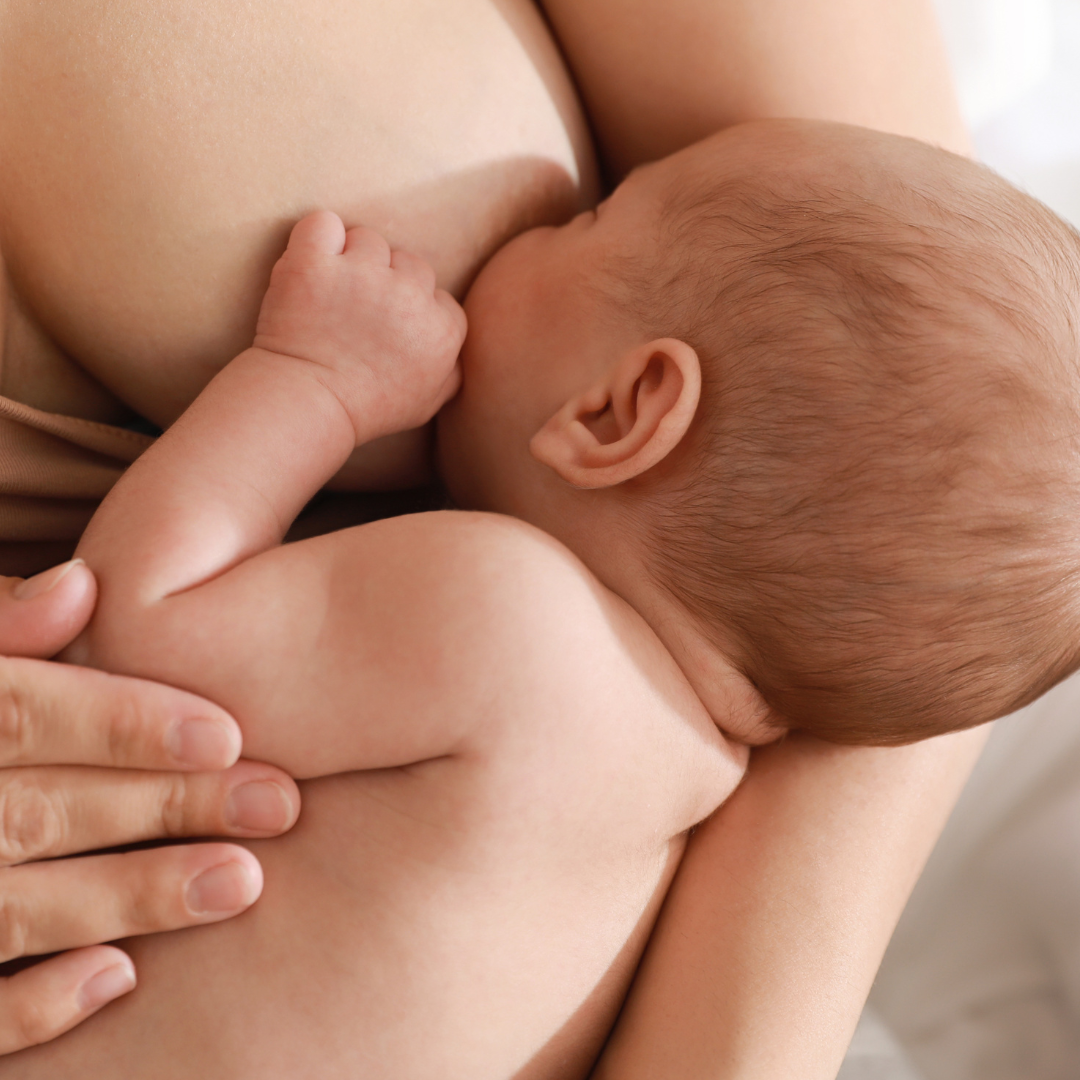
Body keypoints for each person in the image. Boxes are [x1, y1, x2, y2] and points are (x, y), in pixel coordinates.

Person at [0, 0, 988, 1074]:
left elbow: (128, 639)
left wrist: (313, 390)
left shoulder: (517, 620)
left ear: (621, 413)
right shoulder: (668, 786)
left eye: (588, 222)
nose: (559, 220)